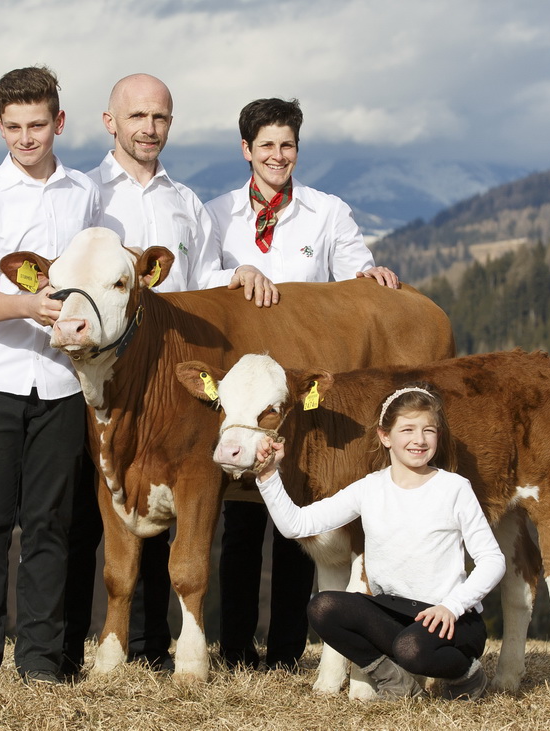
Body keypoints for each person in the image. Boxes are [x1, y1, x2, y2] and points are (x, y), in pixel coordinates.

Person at [60, 73, 278, 676]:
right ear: (110, 123)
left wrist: (241, 275)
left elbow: (207, 283)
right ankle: (73, 643)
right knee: (98, 507)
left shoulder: (186, 204)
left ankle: (156, 644)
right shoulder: (85, 196)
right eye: (136, 117)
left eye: (159, 118)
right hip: (106, 372)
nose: (148, 128)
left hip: (170, 375)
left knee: (171, 500)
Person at [204, 97, 399, 670]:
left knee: (301, 523)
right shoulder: (216, 214)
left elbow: (353, 276)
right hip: (244, 395)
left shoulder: (326, 212)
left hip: (303, 398)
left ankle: (289, 649)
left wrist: (372, 275)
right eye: (266, 145)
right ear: (246, 150)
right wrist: (231, 273)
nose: (278, 155)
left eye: (287, 145)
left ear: (297, 149)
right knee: (240, 524)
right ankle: (236, 648)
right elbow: (195, 284)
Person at [0, 65, 101, 686]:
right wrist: (31, 305)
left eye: (38, 125)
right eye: (14, 127)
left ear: (59, 122)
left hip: (63, 385)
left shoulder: (84, 194)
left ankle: (40, 662)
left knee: (50, 527)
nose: (27, 138)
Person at [252, 383, 506, 700]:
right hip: (393, 612)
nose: (419, 439)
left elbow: (493, 560)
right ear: (385, 436)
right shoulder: (369, 489)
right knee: (323, 607)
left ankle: (467, 675)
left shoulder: (454, 488)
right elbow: (297, 524)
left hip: (452, 619)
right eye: (408, 429)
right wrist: (268, 476)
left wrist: (451, 607)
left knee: (412, 649)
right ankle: (394, 682)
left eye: (429, 430)